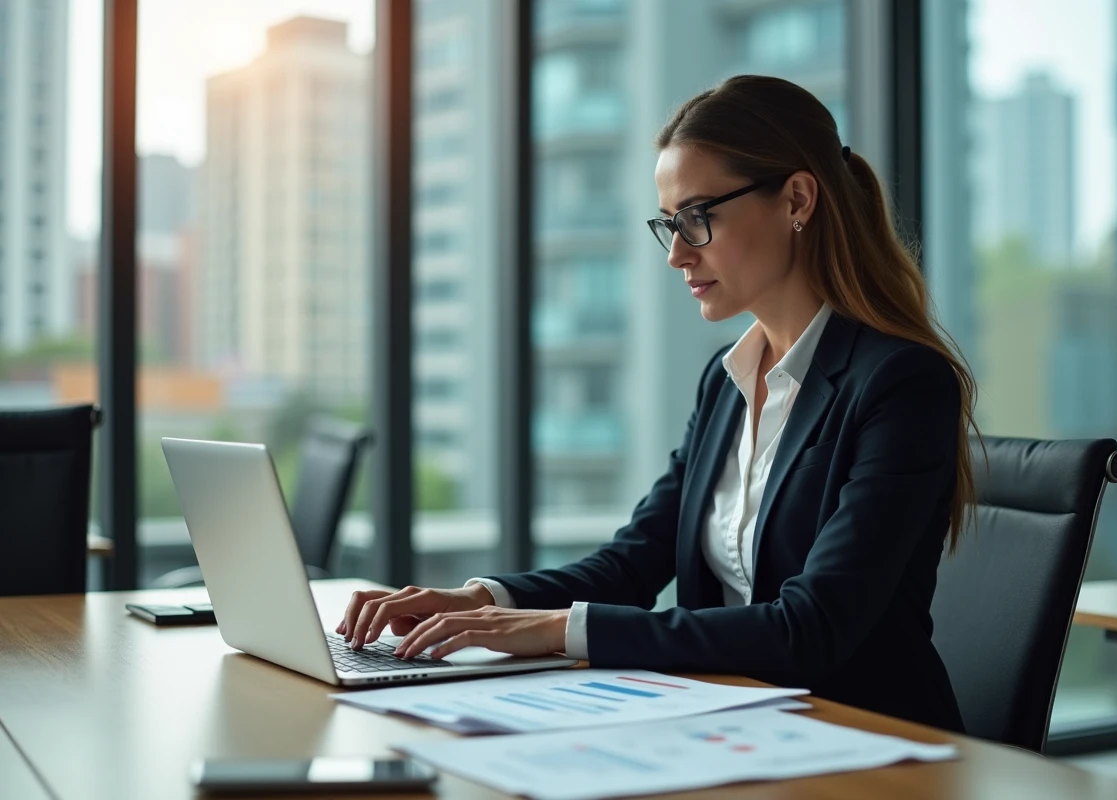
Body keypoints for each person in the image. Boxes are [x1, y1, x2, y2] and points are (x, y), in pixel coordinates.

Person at [338, 75, 979, 732]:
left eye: (698, 218)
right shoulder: (725, 378)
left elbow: (810, 628)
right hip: (736, 727)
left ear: (796, 199)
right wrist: (482, 600)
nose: (676, 254)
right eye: (670, 225)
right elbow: (637, 559)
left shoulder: (901, 383)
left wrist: (559, 630)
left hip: (866, 742)